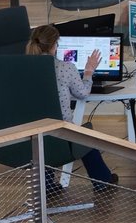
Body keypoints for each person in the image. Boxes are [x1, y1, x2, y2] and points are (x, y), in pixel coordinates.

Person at [26, 25, 120, 193]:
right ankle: (103, 182)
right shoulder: (65, 68)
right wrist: (89, 72)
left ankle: (46, 186)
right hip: (61, 132)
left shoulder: (21, 67)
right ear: (55, 45)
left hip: (30, 133)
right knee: (87, 138)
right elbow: (82, 93)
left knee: (46, 140)